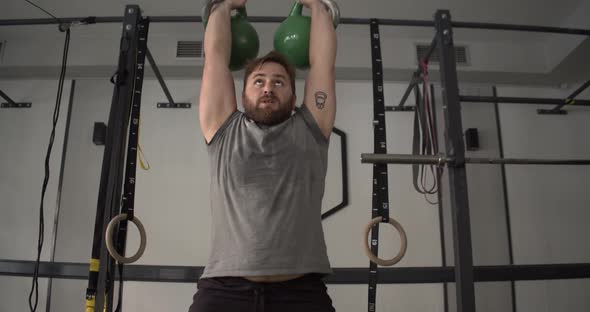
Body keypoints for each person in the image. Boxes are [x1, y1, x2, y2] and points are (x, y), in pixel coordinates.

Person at [190, 0, 337, 310]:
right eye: (259, 81)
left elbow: (323, 62)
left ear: (294, 96)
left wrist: (318, 7)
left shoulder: (312, 129)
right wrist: (224, 5)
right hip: (224, 290)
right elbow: (215, 59)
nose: (268, 88)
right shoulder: (223, 130)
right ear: (243, 94)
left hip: (300, 291)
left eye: (279, 82)